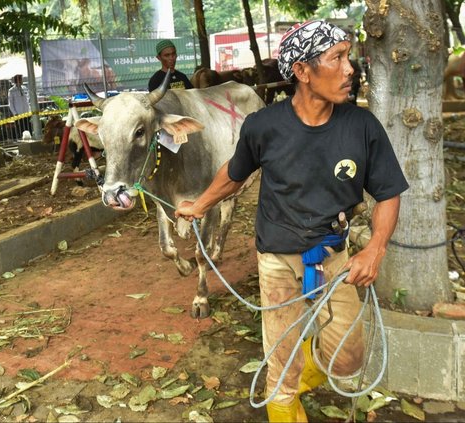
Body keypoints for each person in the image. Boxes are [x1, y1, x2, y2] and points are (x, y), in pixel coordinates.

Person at [175, 20, 409, 422]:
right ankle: (285, 393)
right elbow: (235, 173)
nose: (350, 68)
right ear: (301, 71)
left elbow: (388, 192)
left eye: (348, 56)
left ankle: (301, 371)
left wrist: (375, 248)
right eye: (336, 57)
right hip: (277, 262)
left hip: (334, 259)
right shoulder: (264, 126)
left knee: (348, 359)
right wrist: (200, 205)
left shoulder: (361, 127)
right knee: (279, 373)